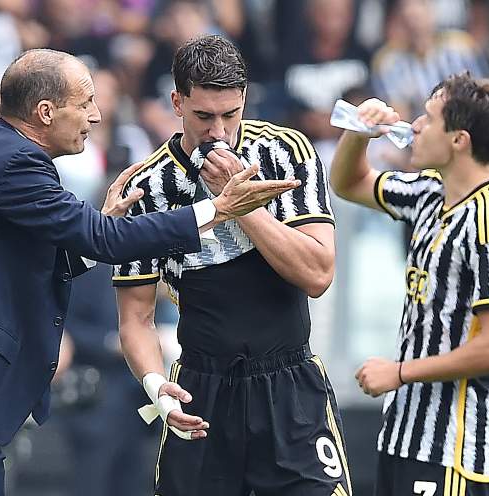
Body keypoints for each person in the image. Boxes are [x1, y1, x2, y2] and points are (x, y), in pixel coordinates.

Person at [0, 48, 298, 496]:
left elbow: (40, 261)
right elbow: (103, 238)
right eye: (86, 102)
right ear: (46, 112)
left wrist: (100, 232)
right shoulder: (14, 163)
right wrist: (217, 208)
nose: (96, 115)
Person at [114, 35, 352, 496]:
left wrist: (241, 207)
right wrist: (155, 386)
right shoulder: (150, 186)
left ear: (245, 99)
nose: (219, 131)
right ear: (177, 101)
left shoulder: (286, 151)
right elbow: (136, 318)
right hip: (203, 390)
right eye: (204, 117)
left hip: (289, 383)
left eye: (231, 114)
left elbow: (318, 274)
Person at [329, 73, 489, 496]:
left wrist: (400, 372)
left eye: (429, 118)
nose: (415, 125)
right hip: (404, 433)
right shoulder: (428, 193)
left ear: (458, 140)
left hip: (456, 447)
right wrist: (359, 134)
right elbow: (347, 183)